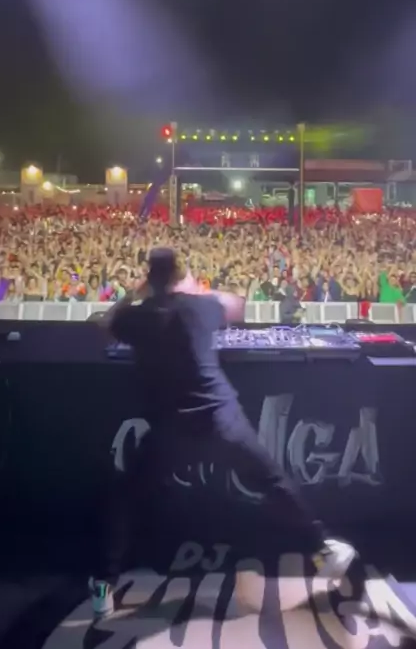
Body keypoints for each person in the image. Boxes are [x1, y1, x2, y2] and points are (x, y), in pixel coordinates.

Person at [89, 248, 357, 619]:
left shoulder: (136, 317)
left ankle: (104, 586)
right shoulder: (201, 307)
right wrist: (195, 289)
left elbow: (105, 323)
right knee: (271, 481)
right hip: (220, 420)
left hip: (170, 430)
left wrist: (137, 294)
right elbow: (237, 305)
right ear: (181, 276)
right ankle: (323, 550)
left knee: (126, 498)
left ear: (150, 279)